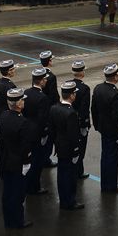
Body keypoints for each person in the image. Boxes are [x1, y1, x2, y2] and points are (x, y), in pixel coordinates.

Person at [0, 88, 34, 229]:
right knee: (18, 194)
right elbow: (25, 146)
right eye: (22, 100)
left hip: (6, 160)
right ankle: (17, 221)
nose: (24, 102)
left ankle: (8, 220)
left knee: (7, 193)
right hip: (18, 162)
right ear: (18, 104)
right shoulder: (22, 122)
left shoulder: (3, 116)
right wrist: (26, 162)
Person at [49, 81, 84, 210]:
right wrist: (76, 151)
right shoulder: (71, 113)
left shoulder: (54, 108)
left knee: (61, 175)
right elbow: (73, 135)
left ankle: (64, 199)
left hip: (60, 146)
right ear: (72, 95)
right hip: (69, 149)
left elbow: (52, 130)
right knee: (70, 176)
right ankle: (70, 201)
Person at [91, 63, 118, 193]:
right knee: (113, 158)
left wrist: (97, 125)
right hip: (113, 131)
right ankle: (111, 185)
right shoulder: (114, 93)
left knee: (105, 156)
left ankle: (105, 183)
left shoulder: (98, 88)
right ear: (115, 77)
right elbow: (117, 117)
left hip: (103, 128)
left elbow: (93, 109)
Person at [23, 68, 51, 195]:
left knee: (30, 160)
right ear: (41, 81)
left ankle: (28, 185)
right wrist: (44, 134)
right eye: (44, 79)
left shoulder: (26, 93)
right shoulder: (43, 98)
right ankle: (34, 187)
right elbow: (43, 119)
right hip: (37, 134)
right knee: (37, 161)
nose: (46, 81)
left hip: (26, 130)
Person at [71, 60, 91, 179]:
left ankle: (76, 169)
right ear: (82, 72)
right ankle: (78, 171)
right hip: (79, 122)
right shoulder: (84, 88)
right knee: (80, 148)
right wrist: (84, 124)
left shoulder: (68, 84)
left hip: (70, 120)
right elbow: (84, 108)